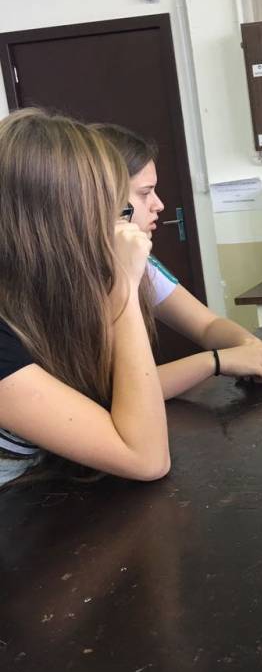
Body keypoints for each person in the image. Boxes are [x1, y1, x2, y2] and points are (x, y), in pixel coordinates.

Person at [0, 109, 169, 488]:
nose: (120, 221)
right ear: (57, 218)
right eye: (110, 206)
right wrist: (124, 286)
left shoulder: (44, 294)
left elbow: (114, 401)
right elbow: (145, 457)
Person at [94, 124, 262, 399]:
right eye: (145, 193)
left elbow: (207, 325)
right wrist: (216, 361)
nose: (159, 204)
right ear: (103, 199)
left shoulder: (140, 263)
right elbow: (120, 392)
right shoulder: (68, 277)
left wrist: (249, 346)